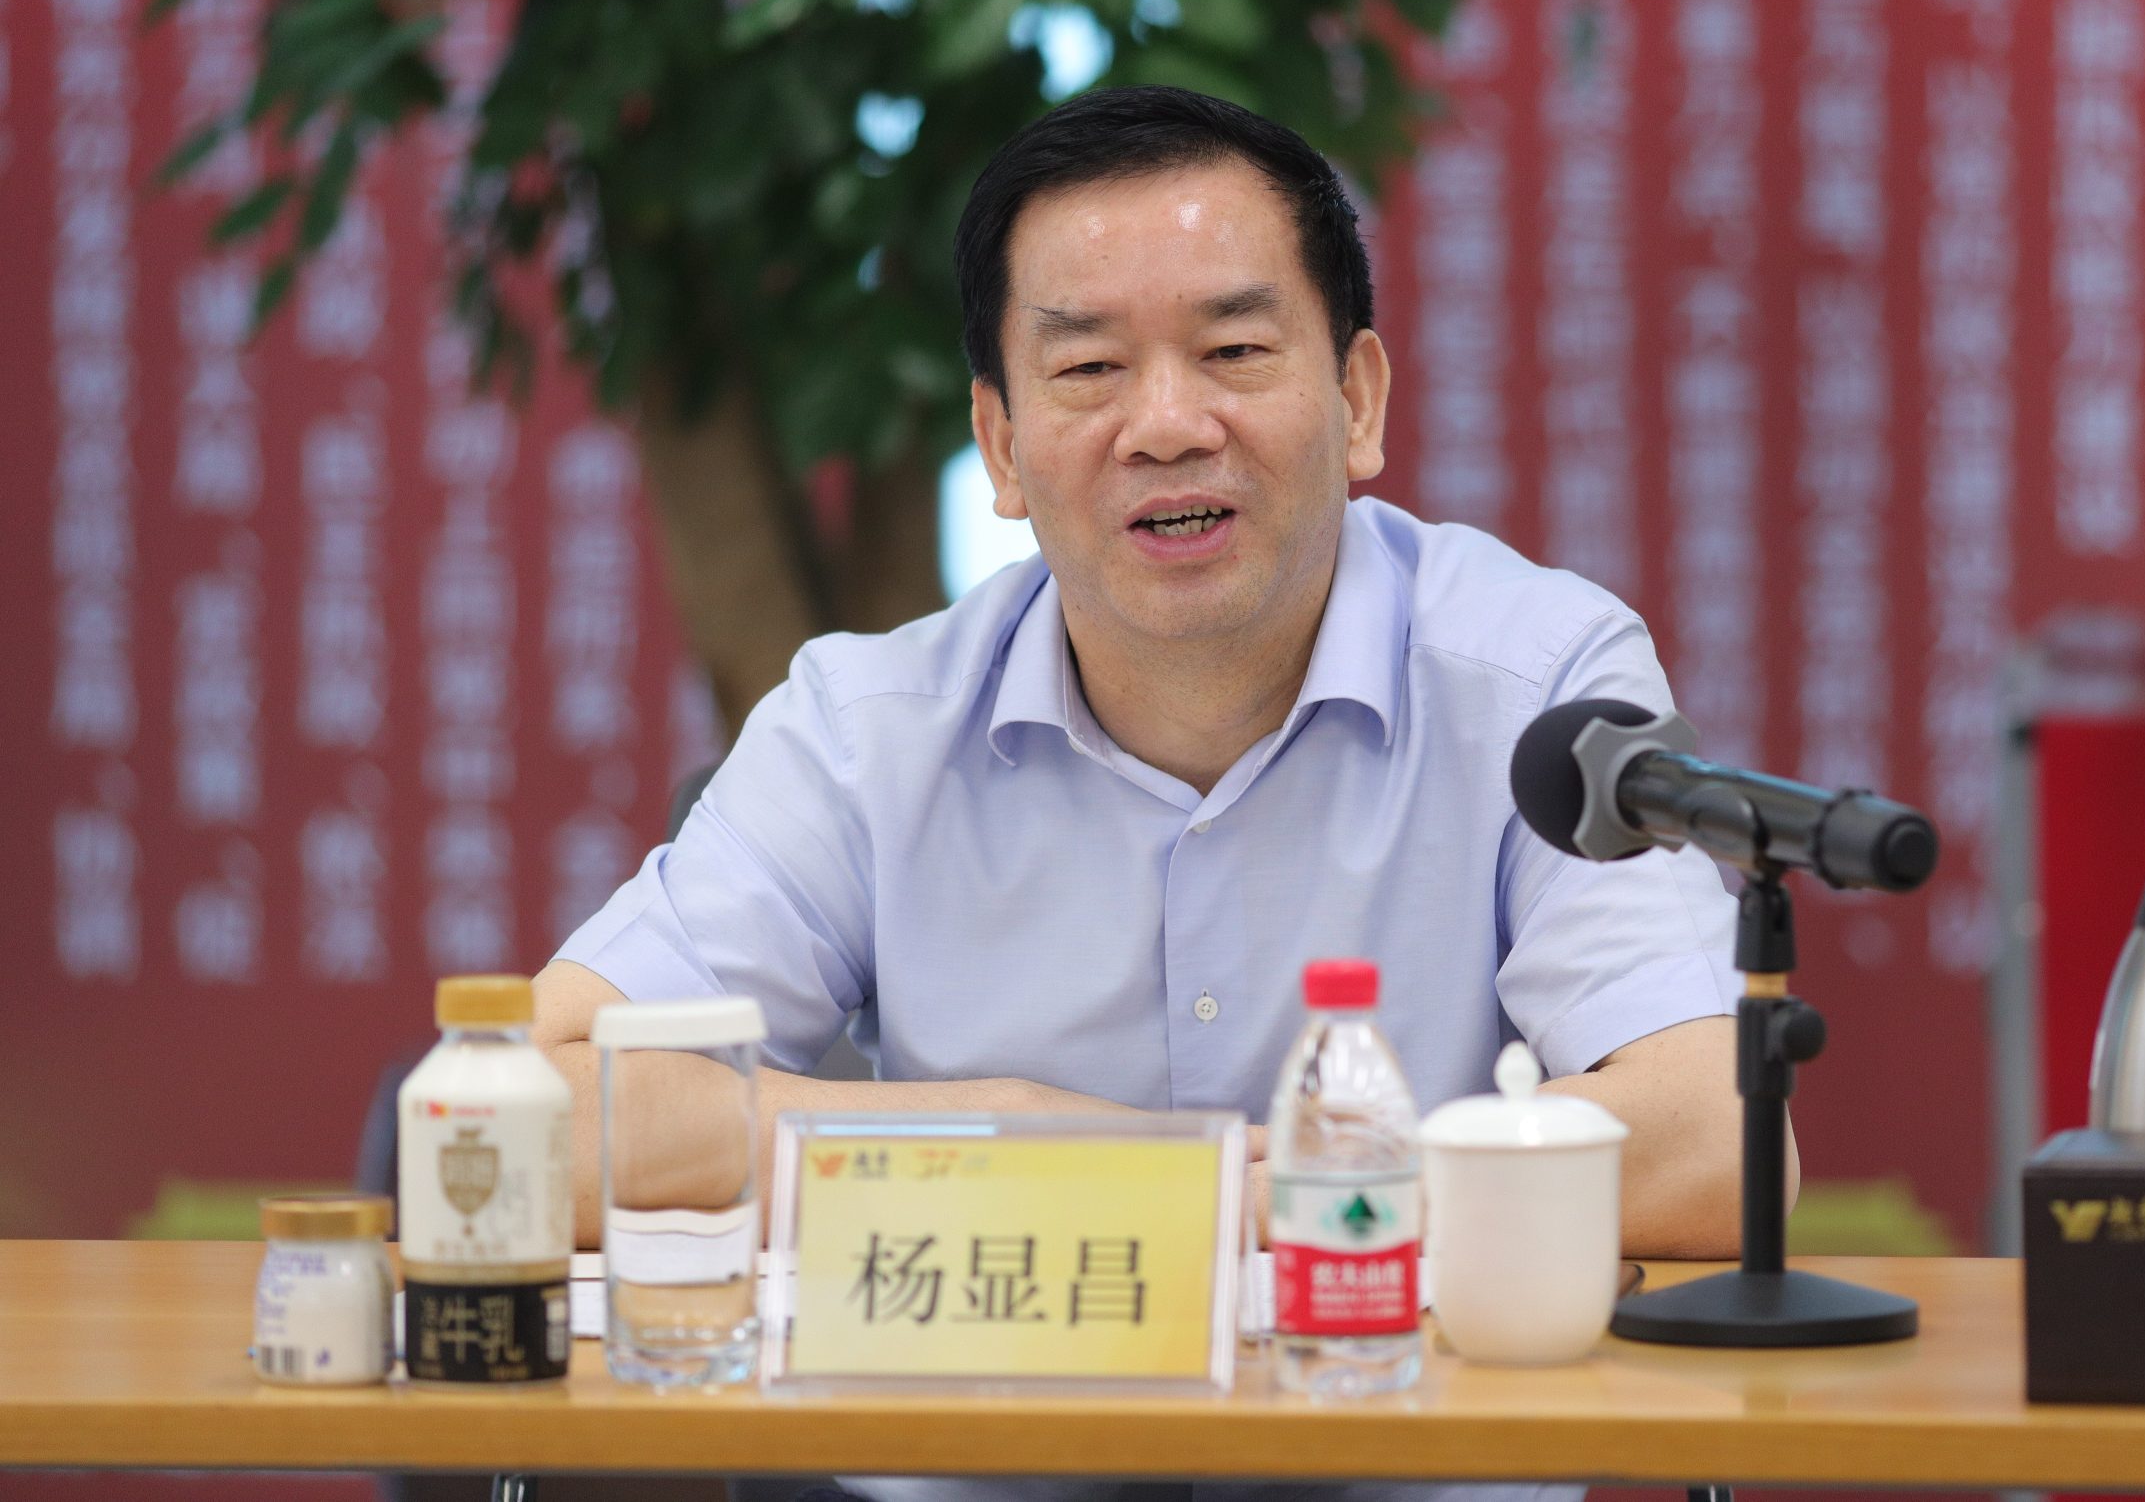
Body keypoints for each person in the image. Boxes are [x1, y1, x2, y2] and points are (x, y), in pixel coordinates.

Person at [534, 84, 1785, 1502]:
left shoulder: (1540, 681)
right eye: (1089, 370)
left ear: (1358, 400)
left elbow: (1716, 1146)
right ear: (1001, 448)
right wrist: (993, 1141)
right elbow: (541, 1108)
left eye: (1234, 351)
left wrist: (1188, 1199)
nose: (1169, 425)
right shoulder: (865, 731)